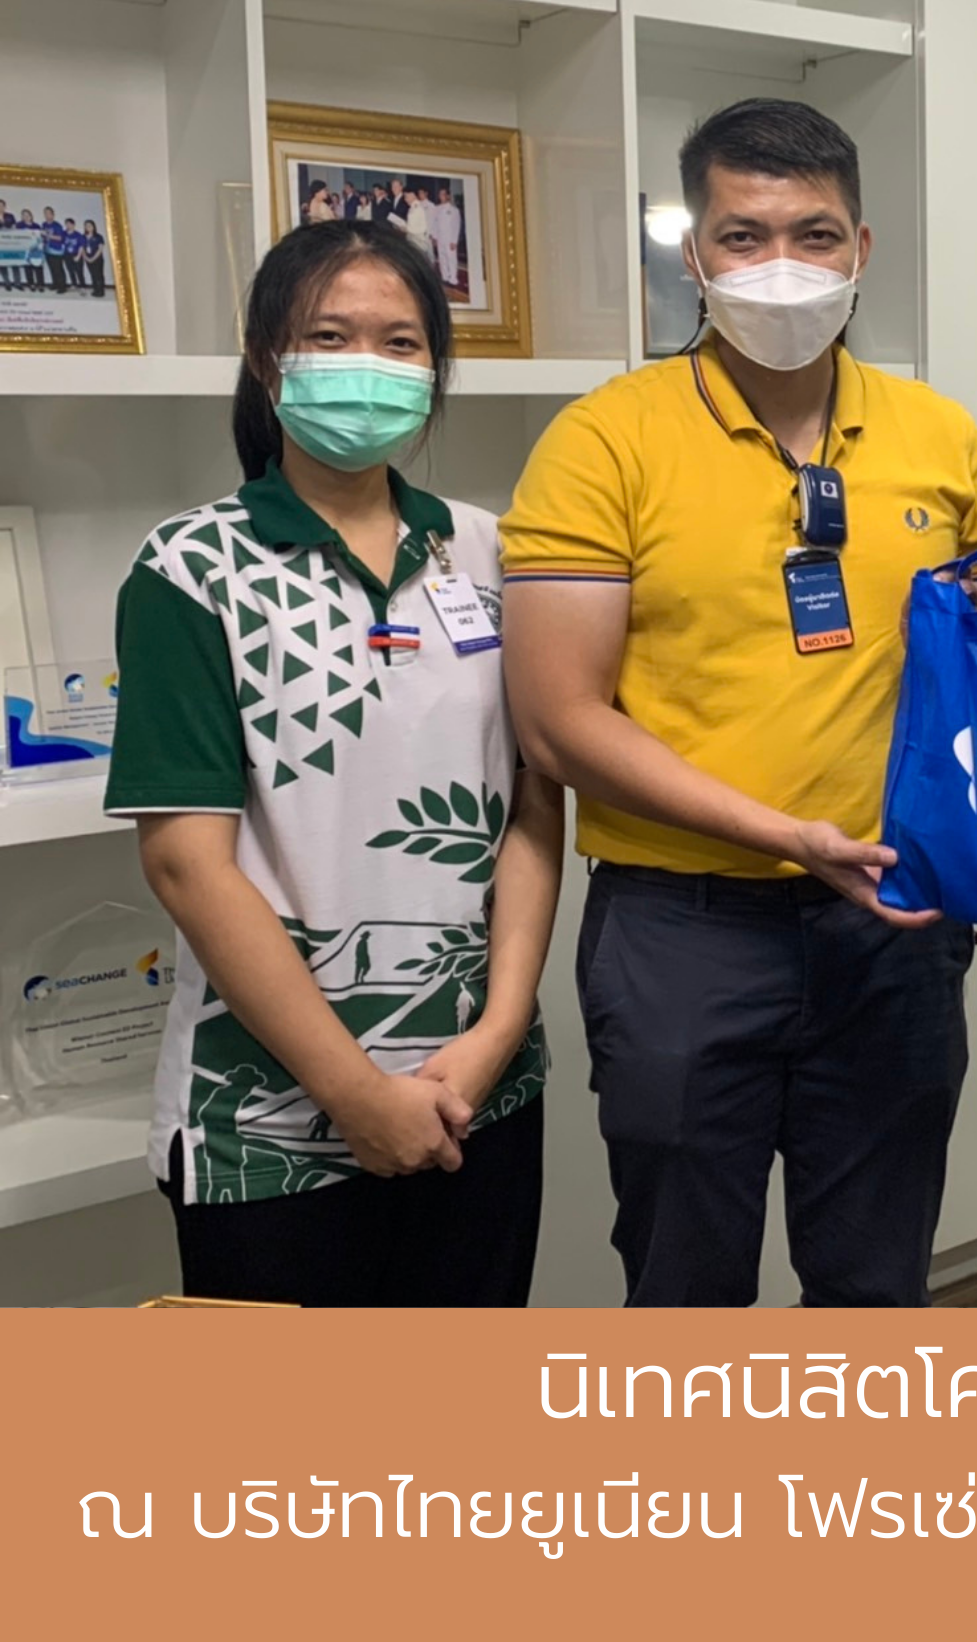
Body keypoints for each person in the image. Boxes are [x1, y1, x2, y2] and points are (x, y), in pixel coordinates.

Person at [500, 96, 977, 1309]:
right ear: (694, 254)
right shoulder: (603, 442)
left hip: (893, 925)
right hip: (682, 934)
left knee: (875, 1287)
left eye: (814, 234)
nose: (781, 265)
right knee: (685, 1293)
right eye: (743, 236)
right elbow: (558, 721)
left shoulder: (940, 438)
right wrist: (786, 836)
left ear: (860, 247)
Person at [104, 220, 563, 1307]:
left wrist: (498, 1031)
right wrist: (354, 1093)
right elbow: (186, 865)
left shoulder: (488, 550)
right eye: (330, 334)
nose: (369, 364)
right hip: (265, 1125)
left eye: (401, 342)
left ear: (436, 369)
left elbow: (533, 806)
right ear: (268, 358)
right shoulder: (190, 567)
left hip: (478, 1093)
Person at [431, 187, 462, 289]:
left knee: (451, 258)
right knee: (442, 258)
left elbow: (456, 226)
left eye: (443, 194)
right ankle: (445, 277)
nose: (441, 196)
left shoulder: (454, 210)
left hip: (449, 238)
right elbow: (434, 224)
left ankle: (453, 278)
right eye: (440, 194)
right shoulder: (436, 208)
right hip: (440, 237)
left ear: (448, 196)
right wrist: (434, 237)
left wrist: (454, 241)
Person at [42, 208, 67, 293]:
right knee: (52, 269)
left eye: (49, 213)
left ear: (53, 215)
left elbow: (60, 238)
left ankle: (62, 287)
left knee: (58, 269)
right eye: (45, 213)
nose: (47, 215)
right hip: (47, 250)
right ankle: (55, 284)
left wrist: (48, 235)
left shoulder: (57, 225)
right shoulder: (44, 224)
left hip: (56, 251)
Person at [79, 219, 104, 297]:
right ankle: (95, 289)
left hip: (97, 259)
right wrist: (86, 257)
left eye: (90, 226)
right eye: (86, 226)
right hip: (87, 258)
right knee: (92, 274)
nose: (88, 227)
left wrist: (93, 258)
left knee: (98, 275)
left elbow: (100, 249)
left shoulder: (98, 236)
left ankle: (100, 291)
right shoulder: (83, 237)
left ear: (93, 227)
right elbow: (82, 248)